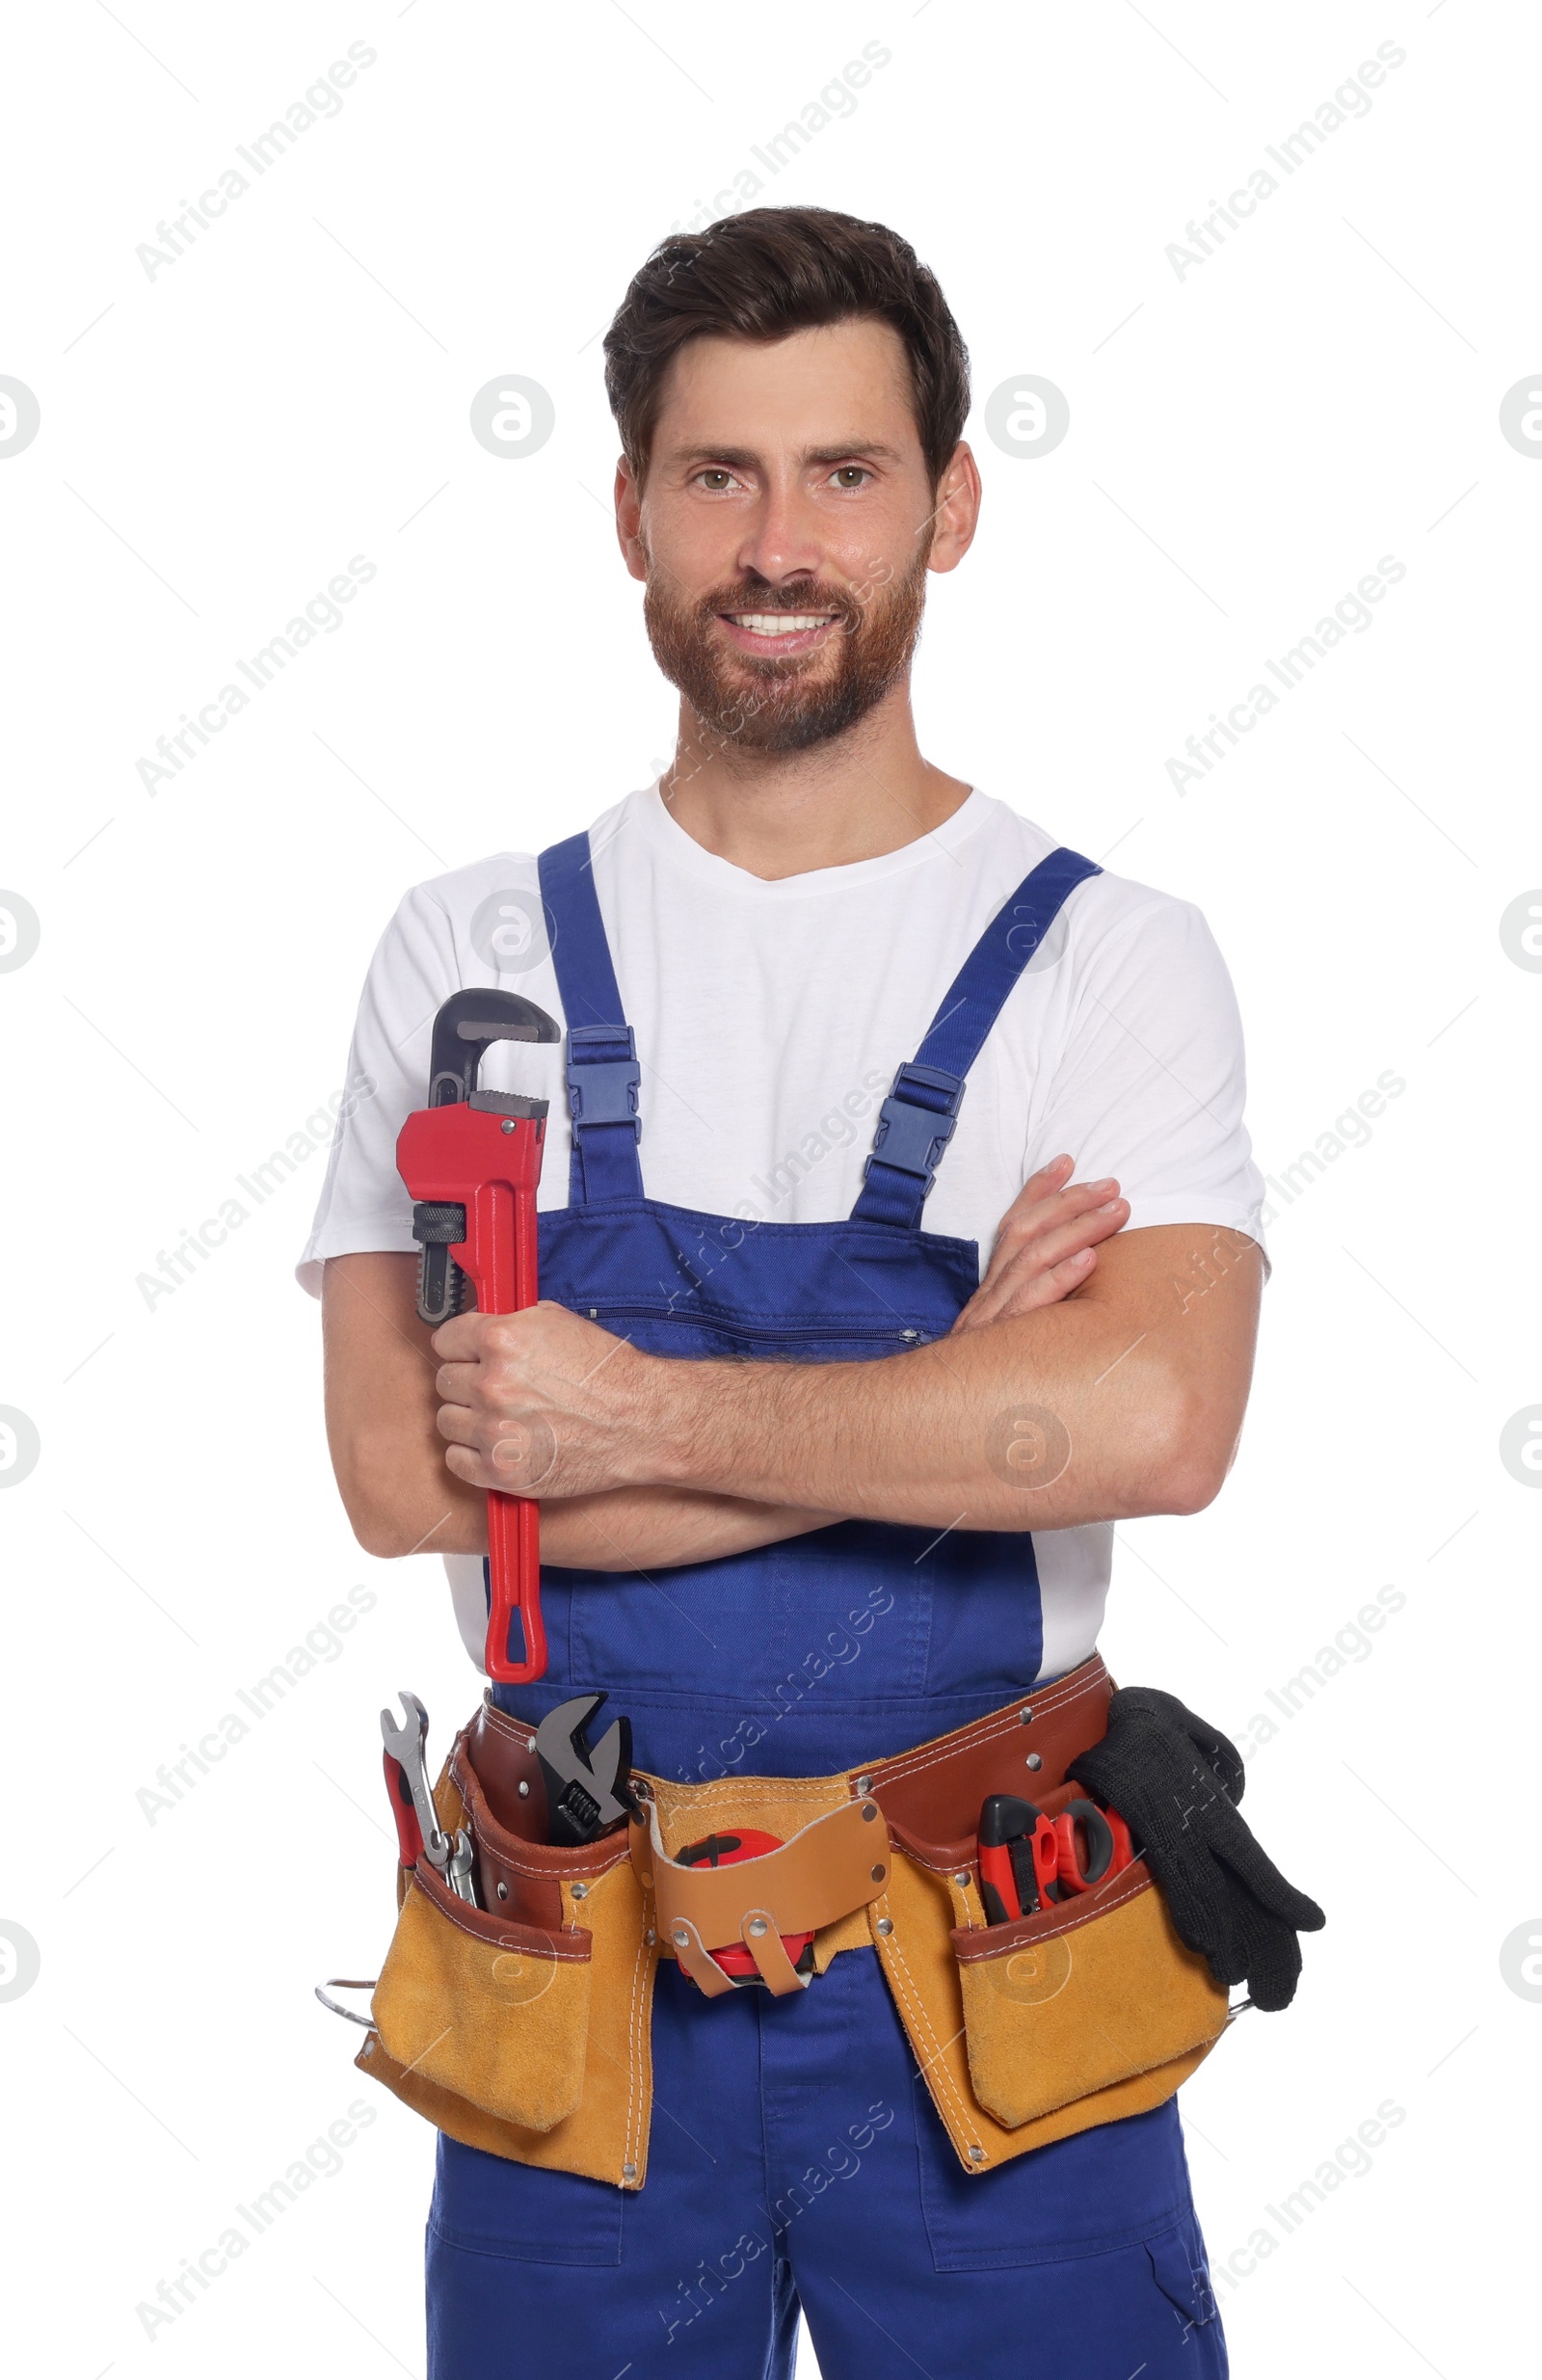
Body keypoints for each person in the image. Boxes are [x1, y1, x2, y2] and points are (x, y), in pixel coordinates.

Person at [303, 206, 1266, 2379]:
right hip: (575, 1963)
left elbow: (1150, 1424)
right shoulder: (464, 959)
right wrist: (952, 1394)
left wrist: (603, 1423)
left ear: (949, 501)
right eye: (716, 474)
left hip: (992, 1955)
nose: (776, 539)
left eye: (841, 470)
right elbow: (398, 1472)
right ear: (629, 510)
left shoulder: (1110, 956)